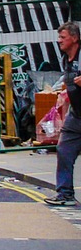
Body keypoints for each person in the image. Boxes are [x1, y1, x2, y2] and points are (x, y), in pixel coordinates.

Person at [48, 21, 81, 206]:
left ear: (75, 38)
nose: (59, 41)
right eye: (59, 37)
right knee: (64, 150)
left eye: (63, 37)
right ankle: (65, 194)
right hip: (76, 116)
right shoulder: (66, 58)